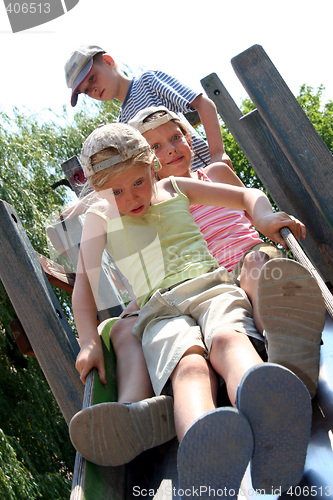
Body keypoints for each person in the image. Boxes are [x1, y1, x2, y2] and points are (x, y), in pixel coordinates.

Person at [68, 122, 320, 494]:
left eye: (138, 182)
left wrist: (264, 218)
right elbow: (84, 285)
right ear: (99, 192)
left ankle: (273, 415)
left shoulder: (174, 187)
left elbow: (245, 196)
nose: (131, 197)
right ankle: (206, 447)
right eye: (116, 191)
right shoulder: (99, 218)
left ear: (152, 166)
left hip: (212, 288)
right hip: (159, 311)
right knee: (188, 367)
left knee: (228, 340)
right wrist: (89, 338)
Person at [64, 44, 233, 171]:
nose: (92, 90)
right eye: (85, 90)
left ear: (108, 61)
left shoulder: (148, 81)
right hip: (182, 198)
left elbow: (204, 104)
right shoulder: (122, 125)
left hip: (208, 173)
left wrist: (218, 154)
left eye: (92, 78)